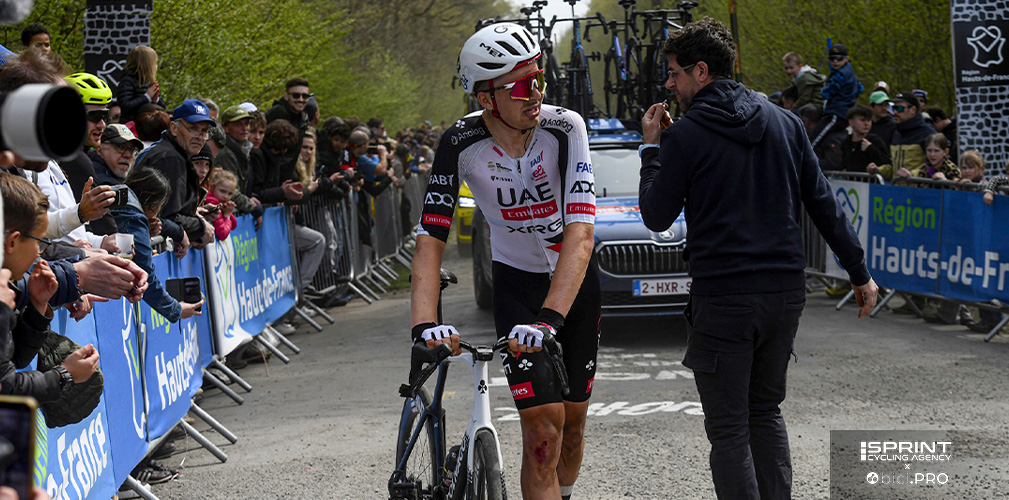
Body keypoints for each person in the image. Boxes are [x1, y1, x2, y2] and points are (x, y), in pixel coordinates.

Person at [637, 18, 878, 499]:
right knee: (764, 412)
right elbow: (823, 204)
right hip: (783, 294)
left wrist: (650, 149)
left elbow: (656, 215)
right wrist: (860, 273)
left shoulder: (685, 135)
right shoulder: (786, 123)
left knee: (729, 428)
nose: (668, 84)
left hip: (724, 295)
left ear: (701, 71)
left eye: (675, 73)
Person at [413, 22, 599, 500]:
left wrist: (550, 320)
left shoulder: (565, 128)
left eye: (539, 79)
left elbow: (581, 235)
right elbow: (431, 238)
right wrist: (424, 325)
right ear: (486, 99)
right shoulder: (460, 142)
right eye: (521, 86)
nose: (535, 93)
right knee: (543, 434)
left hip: (573, 287)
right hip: (517, 285)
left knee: (572, 427)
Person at [0, 174, 100, 401]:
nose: (39, 253)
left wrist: (37, 307)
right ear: (13, 241)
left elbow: (14, 359)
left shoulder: (7, 283)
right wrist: (64, 375)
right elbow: (5, 387)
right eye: (38, 242)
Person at [113, 166, 204, 321]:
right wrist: (176, 309)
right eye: (159, 208)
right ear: (154, 204)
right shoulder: (134, 218)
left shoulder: (119, 194)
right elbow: (144, 274)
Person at [134, 99, 216, 257]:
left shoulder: (171, 152)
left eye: (204, 131)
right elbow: (166, 217)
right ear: (174, 128)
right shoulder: (170, 158)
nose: (200, 137)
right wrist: (201, 226)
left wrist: (194, 212)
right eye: (193, 128)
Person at [868, 92, 934, 181]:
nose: (895, 112)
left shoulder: (928, 134)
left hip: (920, 188)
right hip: (898, 188)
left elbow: (937, 166)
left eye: (900, 108)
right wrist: (879, 170)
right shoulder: (896, 133)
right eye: (893, 108)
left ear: (913, 110)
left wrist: (912, 174)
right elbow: (894, 168)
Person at [809, 43, 863, 150]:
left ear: (847, 59)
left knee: (813, 140)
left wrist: (824, 89)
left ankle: (804, 157)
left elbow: (826, 94)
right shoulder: (851, 74)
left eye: (839, 59)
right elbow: (860, 89)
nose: (835, 61)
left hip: (836, 114)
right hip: (844, 113)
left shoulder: (839, 76)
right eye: (832, 59)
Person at [214, 105, 263, 218]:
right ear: (225, 128)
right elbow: (229, 190)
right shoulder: (226, 153)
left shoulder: (243, 150)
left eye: (246, 124)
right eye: (238, 124)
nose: (244, 128)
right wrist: (251, 206)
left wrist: (250, 200)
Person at [116, 45, 165, 124]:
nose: (156, 66)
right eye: (154, 63)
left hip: (148, 126)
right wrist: (147, 97)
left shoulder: (150, 82)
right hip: (131, 126)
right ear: (147, 65)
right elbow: (125, 105)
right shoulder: (127, 81)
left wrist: (156, 100)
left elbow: (163, 108)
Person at [839, 105, 889, 173]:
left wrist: (870, 149)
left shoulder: (875, 140)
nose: (866, 124)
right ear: (851, 122)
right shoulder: (846, 143)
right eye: (862, 120)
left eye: (869, 120)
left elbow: (886, 162)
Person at [893, 133, 961, 183]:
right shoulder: (924, 168)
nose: (932, 154)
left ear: (946, 152)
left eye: (936, 151)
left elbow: (956, 194)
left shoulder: (953, 170)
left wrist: (944, 181)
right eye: (929, 150)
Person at [203, 168, 238, 241]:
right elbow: (222, 234)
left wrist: (226, 210)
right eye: (222, 191)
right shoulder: (212, 203)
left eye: (230, 193)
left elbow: (234, 225)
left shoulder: (220, 203)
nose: (226, 196)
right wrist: (227, 214)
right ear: (213, 187)